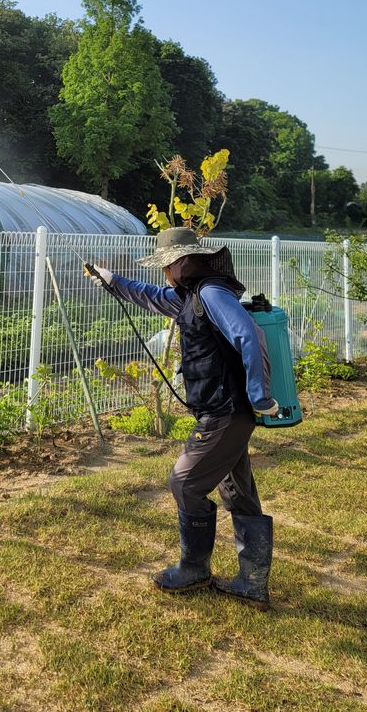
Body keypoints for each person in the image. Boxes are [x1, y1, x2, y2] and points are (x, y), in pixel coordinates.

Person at [86, 226, 278, 609]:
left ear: (181, 263)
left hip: (226, 413)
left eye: (166, 266)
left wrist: (260, 395)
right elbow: (150, 296)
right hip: (226, 412)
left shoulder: (211, 293)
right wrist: (112, 281)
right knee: (237, 492)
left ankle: (194, 570)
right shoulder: (191, 297)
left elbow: (248, 334)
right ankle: (252, 584)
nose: (164, 274)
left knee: (184, 482)